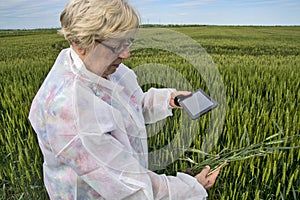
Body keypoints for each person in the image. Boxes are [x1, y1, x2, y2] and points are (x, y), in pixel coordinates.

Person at [28, 0, 220, 199]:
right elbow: (131, 186)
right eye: (116, 46)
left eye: (128, 42)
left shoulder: (105, 69)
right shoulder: (68, 111)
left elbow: (131, 106)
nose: (126, 54)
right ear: (80, 42)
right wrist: (192, 187)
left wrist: (169, 99)